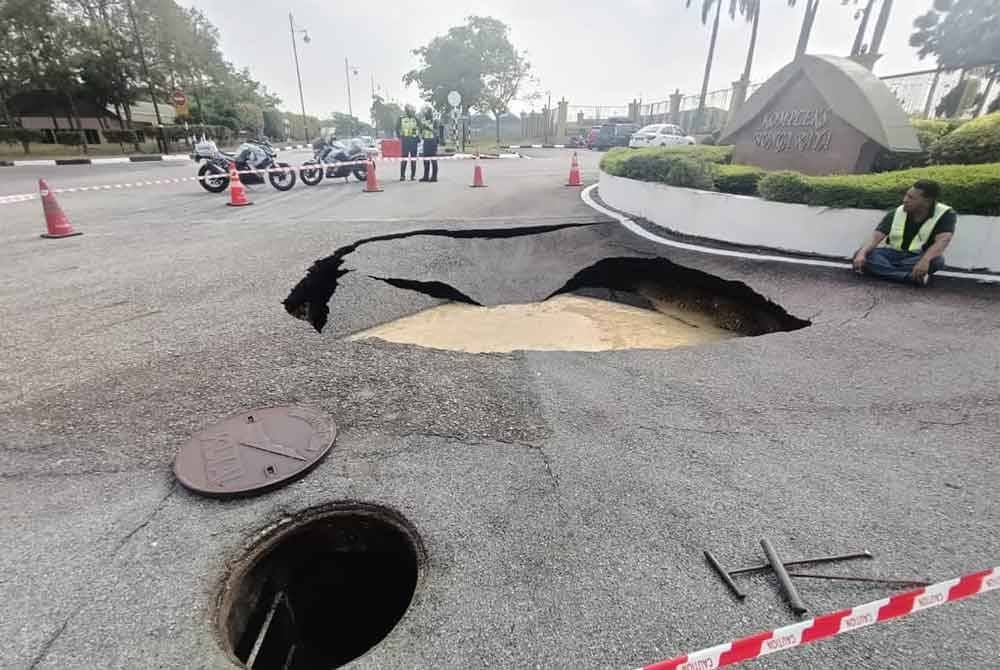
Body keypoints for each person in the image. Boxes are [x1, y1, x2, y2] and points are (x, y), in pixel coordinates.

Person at [852, 179, 956, 286]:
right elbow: (876, 237)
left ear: (927, 201)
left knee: (937, 261)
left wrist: (925, 260)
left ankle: (883, 271)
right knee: (861, 254)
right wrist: (862, 253)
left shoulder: (945, 214)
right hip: (892, 254)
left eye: (911, 198)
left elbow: (943, 241)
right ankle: (908, 277)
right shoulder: (897, 211)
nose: (905, 200)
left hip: (918, 257)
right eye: (906, 195)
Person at [396, 104, 420, 181]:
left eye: (412, 110)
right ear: (406, 111)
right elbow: (397, 128)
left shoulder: (416, 119)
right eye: (409, 110)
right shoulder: (401, 118)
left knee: (413, 159)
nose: (411, 112)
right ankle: (402, 176)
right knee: (404, 159)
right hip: (405, 140)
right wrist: (400, 137)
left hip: (414, 141)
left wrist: (418, 137)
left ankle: (413, 176)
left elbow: (420, 127)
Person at [419, 107, 440, 183]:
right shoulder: (424, 121)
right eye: (425, 113)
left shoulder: (435, 121)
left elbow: (436, 132)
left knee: (433, 160)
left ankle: (434, 177)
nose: (426, 114)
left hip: (432, 141)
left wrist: (428, 128)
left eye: (427, 112)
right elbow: (421, 130)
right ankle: (426, 176)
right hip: (426, 141)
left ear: (430, 113)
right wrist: (422, 129)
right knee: (426, 160)